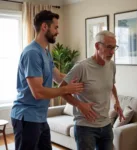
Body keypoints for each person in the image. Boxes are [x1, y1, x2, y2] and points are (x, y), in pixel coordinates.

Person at [10, 10, 96, 150]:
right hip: (27, 117)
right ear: (45, 27)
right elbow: (38, 92)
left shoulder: (45, 52)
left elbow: (58, 77)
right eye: (55, 27)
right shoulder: (32, 53)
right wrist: (66, 89)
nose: (58, 31)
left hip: (40, 118)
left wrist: (84, 80)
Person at [60, 30, 125, 150]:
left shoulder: (111, 65)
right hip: (85, 127)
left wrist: (116, 101)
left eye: (114, 48)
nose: (112, 52)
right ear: (97, 46)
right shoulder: (81, 67)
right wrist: (79, 104)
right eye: (109, 47)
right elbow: (62, 89)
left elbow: (111, 85)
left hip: (106, 125)